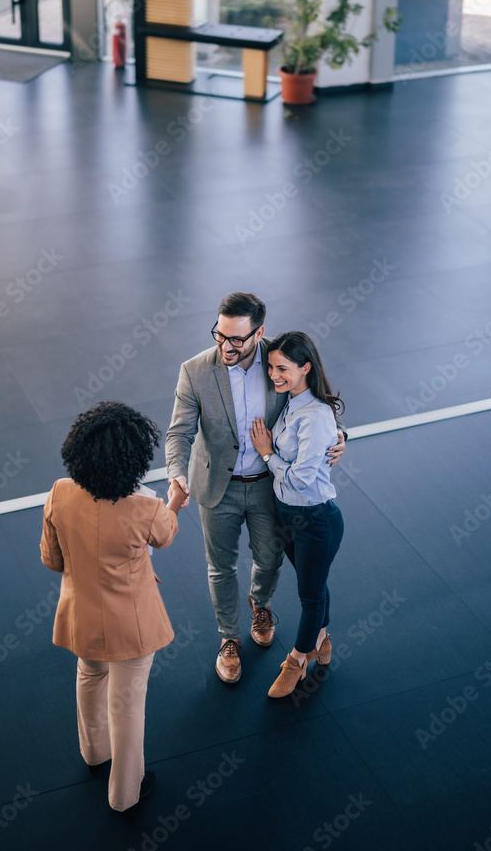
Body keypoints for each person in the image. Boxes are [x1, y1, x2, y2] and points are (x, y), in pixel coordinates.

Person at [166, 293, 346, 685]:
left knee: (270, 559)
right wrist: (176, 474)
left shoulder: (277, 361)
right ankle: (229, 638)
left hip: (270, 487)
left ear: (258, 332)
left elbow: (312, 401)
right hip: (218, 487)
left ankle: (260, 605)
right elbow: (178, 433)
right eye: (220, 334)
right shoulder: (195, 371)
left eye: (236, 339)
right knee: (221, 568)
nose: (226, 345)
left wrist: (338, 434)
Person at [40, 401, 186, 811]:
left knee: (90, 675)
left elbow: (52, 561)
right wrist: (174, 501)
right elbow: (166, 536)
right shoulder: (146, 508)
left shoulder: (60, 492)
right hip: (133, 625)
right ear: (134, 459)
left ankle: (93, 753)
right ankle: (125, 795)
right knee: (128, 704)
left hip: (80, 616)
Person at [249, 331, 345, 698]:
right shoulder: (290, 402)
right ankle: (322, 640)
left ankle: (296, 661)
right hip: (288, 516)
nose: (274, 375)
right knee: (315, 587)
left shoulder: (315, 415)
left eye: (283, 368)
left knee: (309, 596)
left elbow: (303, 480)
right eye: (271, 367)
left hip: (315, 520)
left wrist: (267, 453)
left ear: (306, 367)